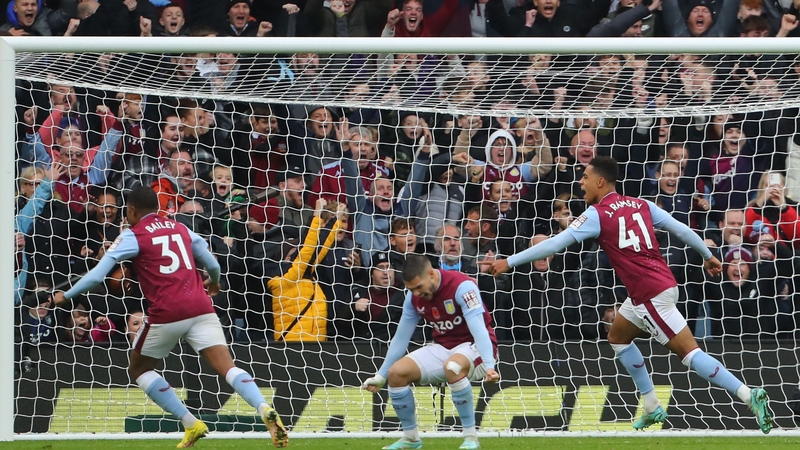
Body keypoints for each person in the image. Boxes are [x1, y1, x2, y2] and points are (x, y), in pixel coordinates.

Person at [487, 156, 773, 434]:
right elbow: (683, 229)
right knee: (618, 337)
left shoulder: (596, 214)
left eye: (585, 178)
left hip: (650, 295)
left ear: (600, 181)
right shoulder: (643, 204)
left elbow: (554, 244)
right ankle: (651, 406)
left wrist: (508, 261)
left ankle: (748, 394)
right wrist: (708, 255)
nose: (581, 183)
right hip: (652, 289)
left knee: (689, 353)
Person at [52, 186, 288, 448]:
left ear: (131, 211)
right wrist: (215, 283)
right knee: (228, 368)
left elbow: (97, 276)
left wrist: (66, 296)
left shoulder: (133, 235)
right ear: (157, 208)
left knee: (139, 369)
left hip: (167, 312)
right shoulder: (180, 228)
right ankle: (263, 406)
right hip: (201, 307)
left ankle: (190, 423)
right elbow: (213, 264)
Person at [362, 254, 500, 450]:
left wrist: (489, 365)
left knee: (452, 366)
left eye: (419, 287)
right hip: (444, 347)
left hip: (477, 347)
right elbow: (401, 337)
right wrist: (381, 375)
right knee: (396, 373)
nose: (416, 293)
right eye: (411, 289)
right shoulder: (413, 298)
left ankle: (471, 438)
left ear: (431, 274)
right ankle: (411, 439)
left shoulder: (463, 286)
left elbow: (479, 328)